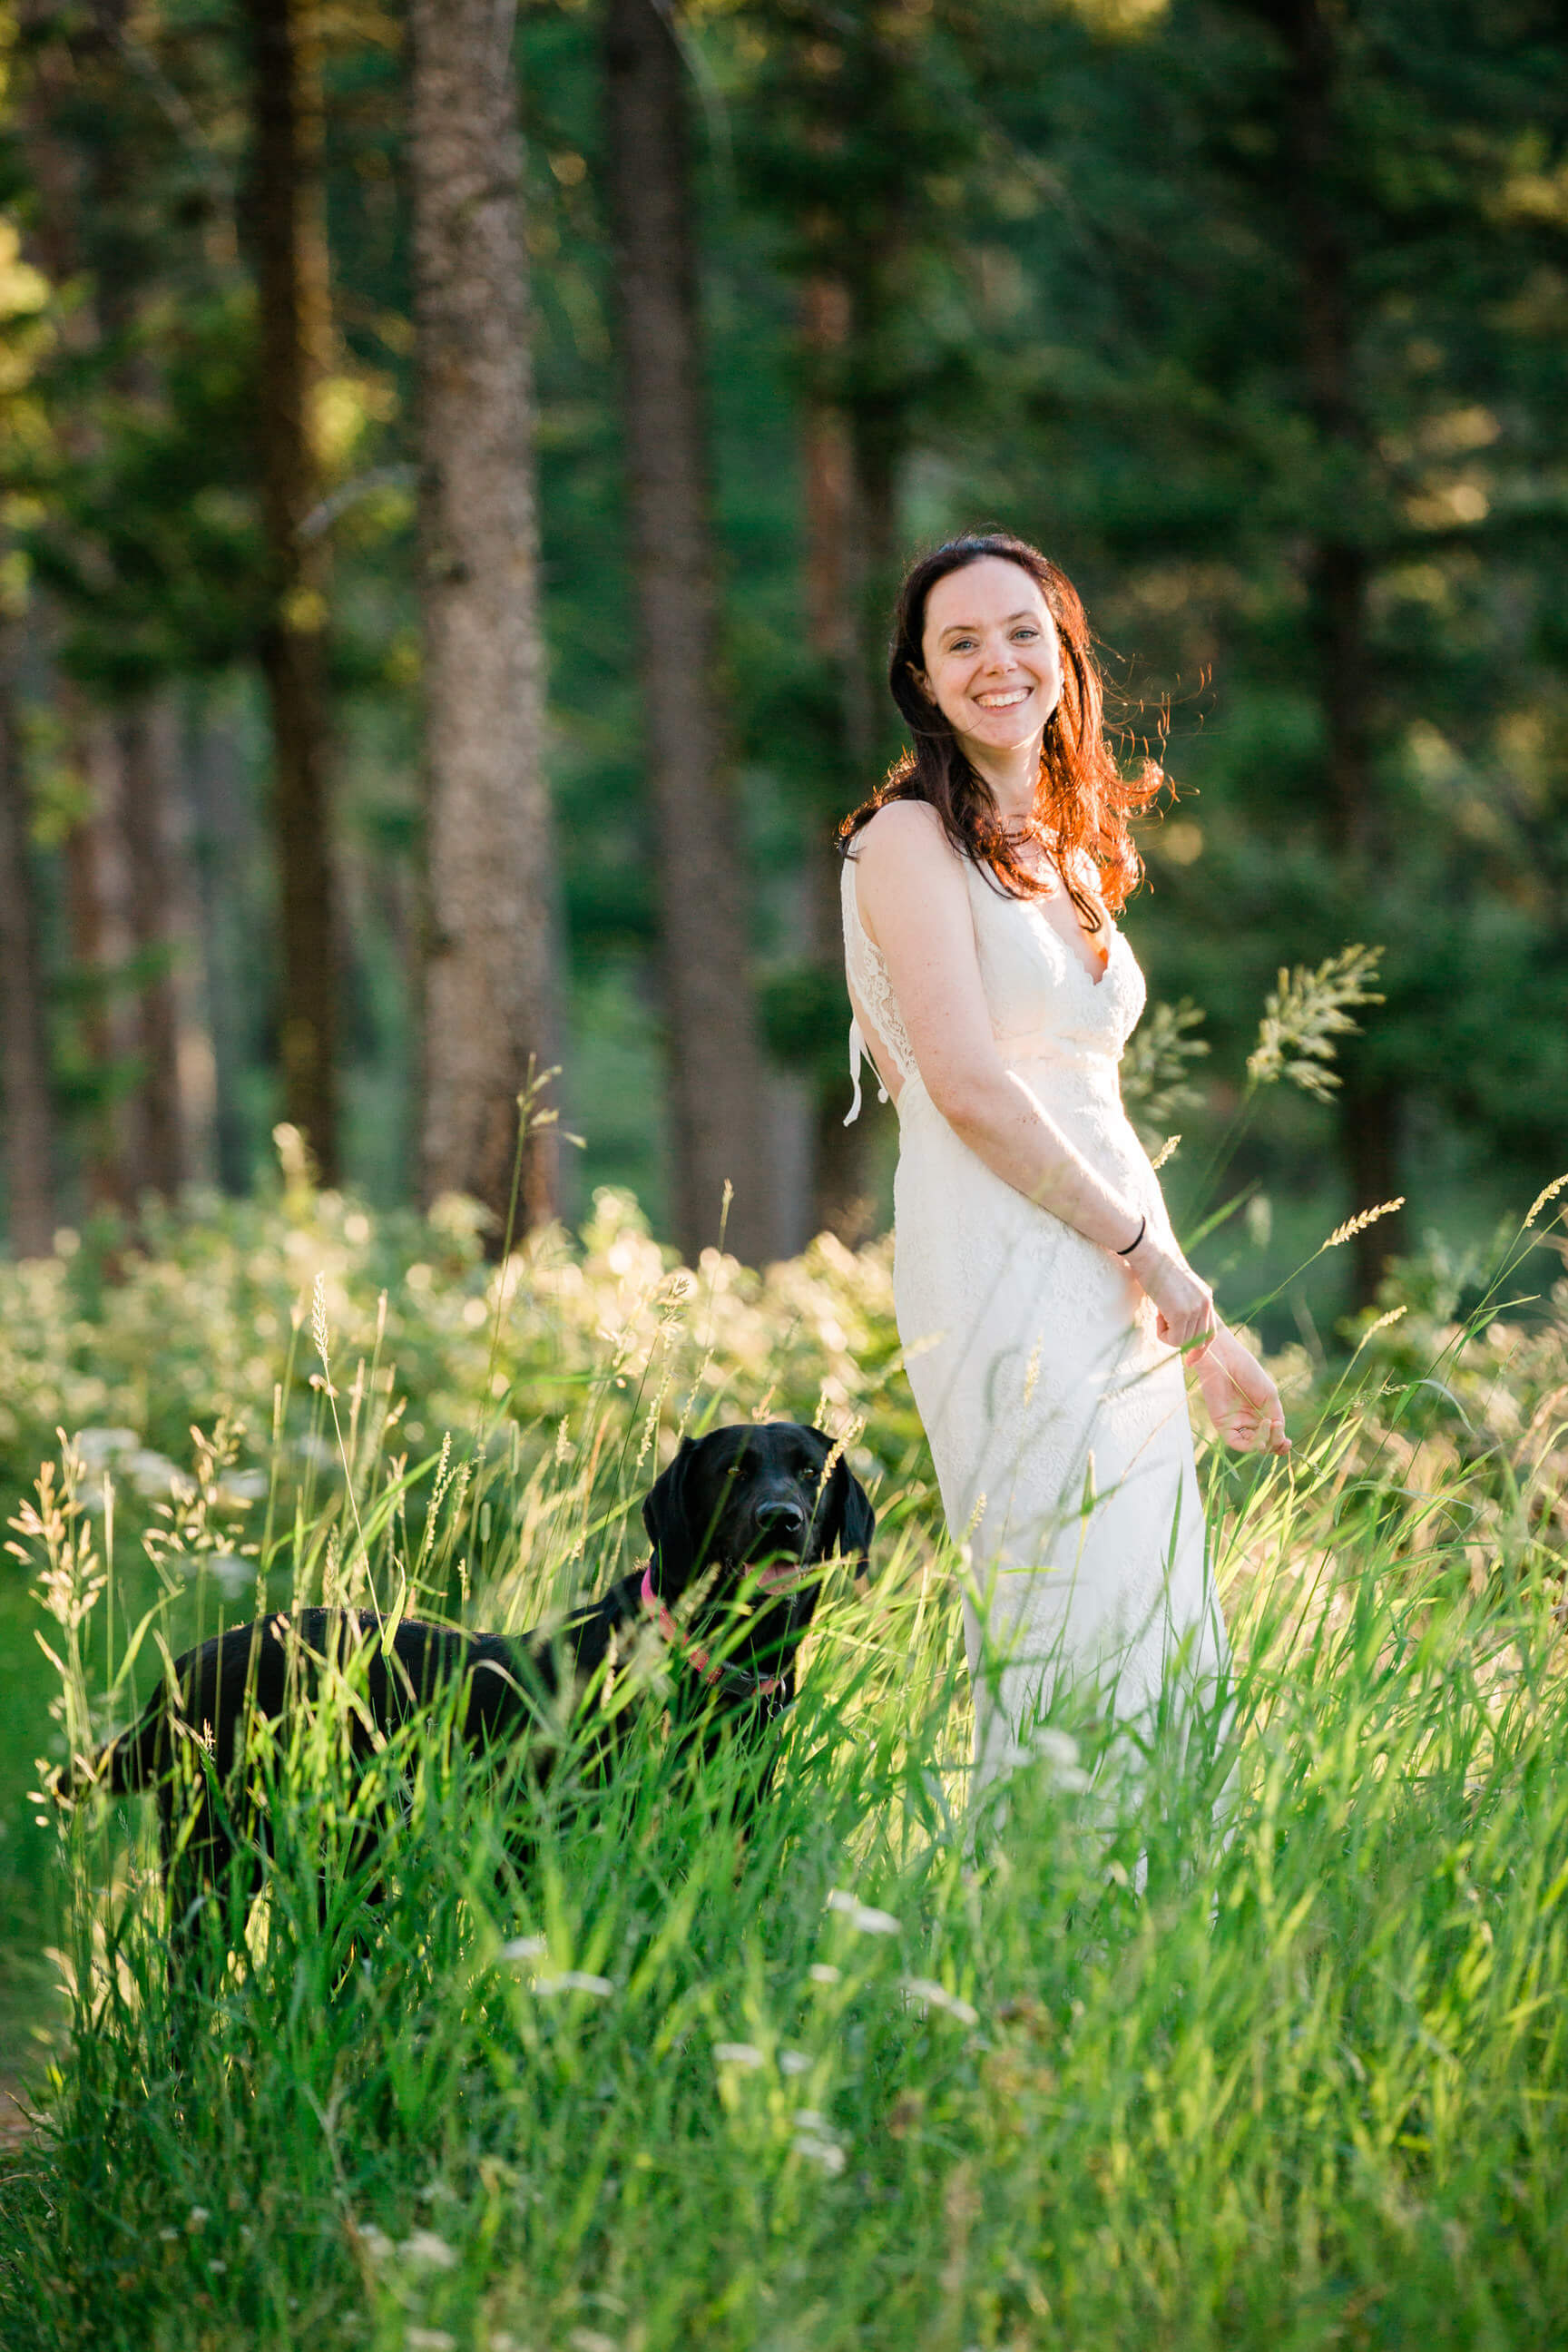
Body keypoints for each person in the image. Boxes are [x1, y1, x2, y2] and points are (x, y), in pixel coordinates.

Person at [839, 531, 1289, 1806]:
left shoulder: (1065, 852)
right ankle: (1034, 1948)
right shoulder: (904, 844)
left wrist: (1193, 1313)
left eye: (1022, 631)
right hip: (1001, 1264)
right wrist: (1143, 1257)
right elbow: (968, 1087)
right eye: (961, 641)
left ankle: (1149, 1953)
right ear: (922, 679)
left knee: (1150, 1612)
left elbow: (1092, 1109)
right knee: (1060, 1615)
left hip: (1108, 1262)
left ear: (1064, 652)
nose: (998, 661)